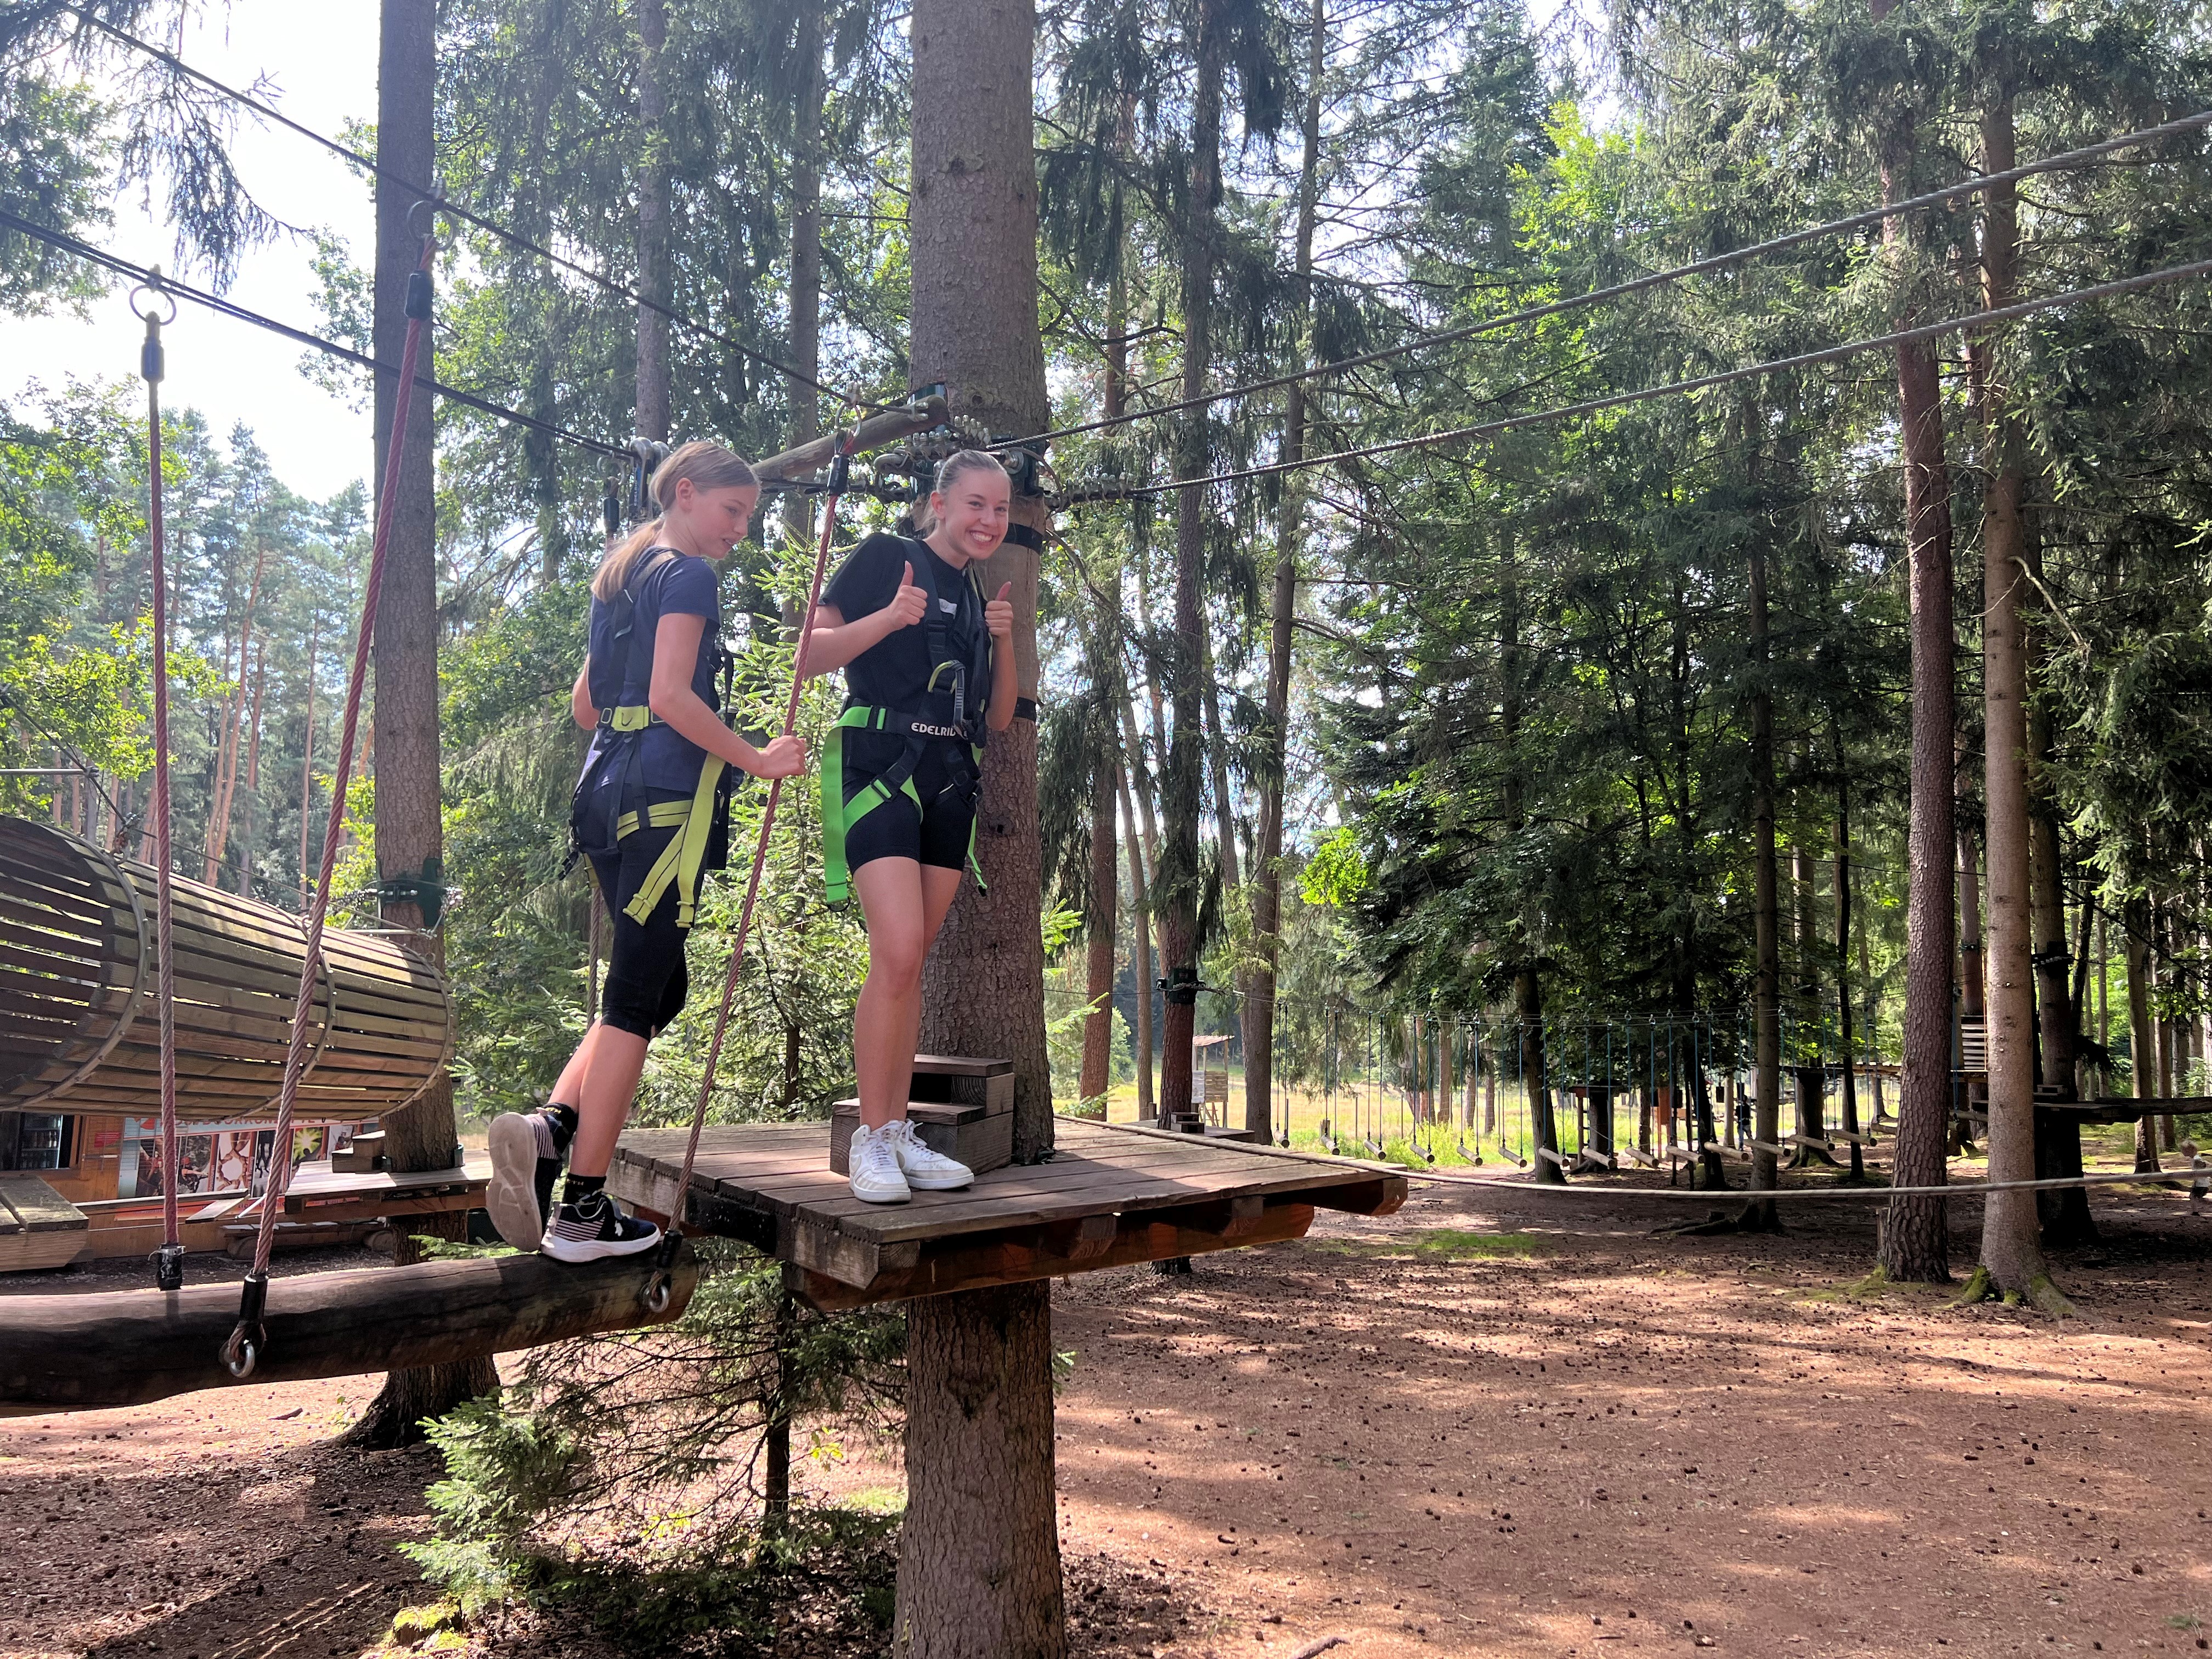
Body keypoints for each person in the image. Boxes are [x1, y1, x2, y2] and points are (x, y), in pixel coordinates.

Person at [486, 442, 807, 1261]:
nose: (742, 530)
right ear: (688, 494)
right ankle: (584, 1213)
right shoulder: (690, 577)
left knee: (655, 990)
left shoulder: (622, 571)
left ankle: (552, 1129)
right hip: (665, 806)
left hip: (603, 798)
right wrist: (757, 758)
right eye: (734, 513)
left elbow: (588, 707)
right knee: (634, 1003)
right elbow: (670, 696)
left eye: (750, 518)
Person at [804, 450, 1018, 1201]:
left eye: (1000, 509)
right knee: (896, 951)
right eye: (976, 506)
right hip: (880, 763)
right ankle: (871, 1137)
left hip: (951, 778)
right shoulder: (887, 558)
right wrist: (889, 617)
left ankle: (895, 1134)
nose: (989, 521)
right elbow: (808, 655)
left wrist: (1002, 638)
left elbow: (996, 716)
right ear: (940, 503)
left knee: (908, 963)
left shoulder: (978, 591)